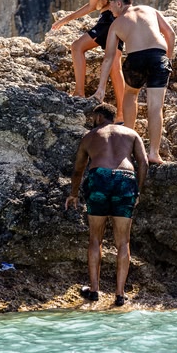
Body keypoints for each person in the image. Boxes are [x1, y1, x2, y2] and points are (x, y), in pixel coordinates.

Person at [65, 103, 147, 307]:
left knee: (95, 239)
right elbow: (143, 163)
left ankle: (94, 291)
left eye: (93, 117)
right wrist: (137, 190)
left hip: (99, 178)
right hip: (125, 179)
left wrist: (73, 194)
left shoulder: (90, 136)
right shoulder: (131, 133)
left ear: (99, 117)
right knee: (123, 242)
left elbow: (78, 170)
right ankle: (120, 294)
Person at [92, 0, 176, 164]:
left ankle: (127, 144)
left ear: (119, 3)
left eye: (111, 6)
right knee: (155, 107)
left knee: (130, 95)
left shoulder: (116, 24)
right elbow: (170, 33)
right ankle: (153, 153)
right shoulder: (150, 10)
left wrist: (101, 88)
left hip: (136, 59)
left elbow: (108, 58)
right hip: (158, 57)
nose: (110, 11)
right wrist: (167, 59)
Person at [51, 0, 126, 121]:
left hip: (109, 20)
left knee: (77, 47)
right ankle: (121, 114)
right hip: (116, 20)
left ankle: (79, 92)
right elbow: (92, 5)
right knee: (115, 67)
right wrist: (66, 19)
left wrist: (101, 4)